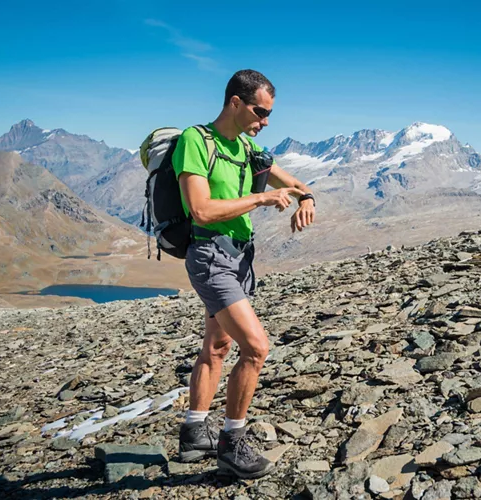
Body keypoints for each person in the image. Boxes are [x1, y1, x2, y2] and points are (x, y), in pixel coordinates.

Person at [172, 69, 316, 479]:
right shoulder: (195, 141)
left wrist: (307, 197)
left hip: (238, 258)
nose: (265, 121)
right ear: (235, 102)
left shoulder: (248, 148)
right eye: (260, 111)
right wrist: (259, 198)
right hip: (209, 256)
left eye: (269, 114)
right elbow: (200, 209)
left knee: (216, 347)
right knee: (256, 348)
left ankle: (193, 431)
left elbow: (294, 183)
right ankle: (231, 444)